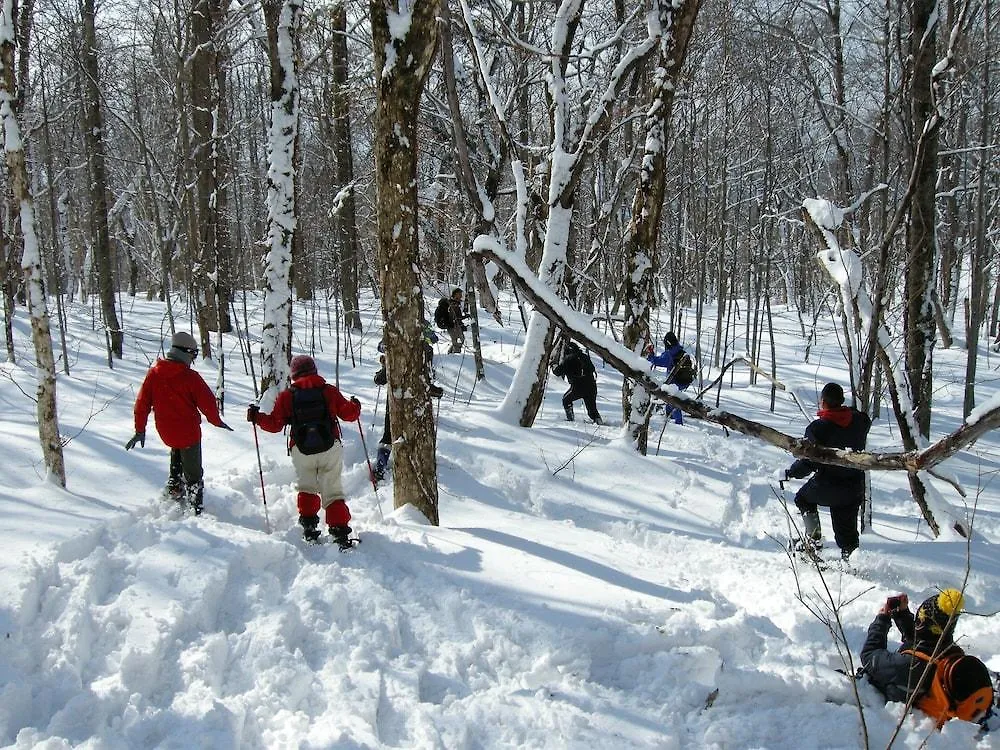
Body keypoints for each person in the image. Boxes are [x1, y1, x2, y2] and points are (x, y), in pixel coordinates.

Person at [247, 355, 362, 548]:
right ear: (314, 370)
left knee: (307, 487)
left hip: (301, 450)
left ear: (294, 374)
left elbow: (275, 425)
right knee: (332, 489)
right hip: (330, 447)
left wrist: (256, 417)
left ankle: (309, 529)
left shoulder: (287, 396)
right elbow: (349, 414)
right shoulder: (328, 391)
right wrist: (356, 405)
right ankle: (339, 532)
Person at [125, 331, 233, 515]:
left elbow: (141, 404)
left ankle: (175, 486)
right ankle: (195, 504)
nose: (193, 359)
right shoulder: (190, 377)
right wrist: (217, 422)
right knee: (193, 470)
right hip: (188, 432)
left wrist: (140, 430)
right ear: (186, 353)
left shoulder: (154, 374)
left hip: (166, 431)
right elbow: (207, 403)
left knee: (176, 449)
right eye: (193, 355)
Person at [860, 589, 994, 728]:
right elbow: (923, 642)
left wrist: (882, 620)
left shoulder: (908, 665)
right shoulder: (950, 650)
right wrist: (902, 614)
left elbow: (869, 655)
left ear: (922, 624)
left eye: (918, 621)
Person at [781, 382, 871, 560]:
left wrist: (792, 473)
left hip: (827, 485)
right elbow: (862, 417)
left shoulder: (818, 428)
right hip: (854, 486)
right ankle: (852, 559)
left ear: (823, 402)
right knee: (846, 529)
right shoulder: (859, 422)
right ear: (841, 401)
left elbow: (809, 461)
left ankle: (813, 542)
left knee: (803, 498)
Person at [647, 331, 693, 425]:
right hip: (684, 381)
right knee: (669, 395)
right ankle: (669, 415)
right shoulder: (680, 350)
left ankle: (678, 422)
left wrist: (650, 354)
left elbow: (657, 361)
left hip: (676, 381)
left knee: (672, 399)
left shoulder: (669, 354)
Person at [552, 341, 603, 424]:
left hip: (577, 387)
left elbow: (557, 372)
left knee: (566, 400)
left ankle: (570, 420)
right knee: (592, 408)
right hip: (591, 386)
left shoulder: (568, 360)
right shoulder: (585, 356)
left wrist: (553, 365)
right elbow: (592, 369)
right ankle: (598, 421)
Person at [446, 287, 466, 353]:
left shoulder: (456, 303)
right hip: (452, 325)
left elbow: (458, 316)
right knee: (457, 340)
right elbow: (455, 316)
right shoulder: (453, 304)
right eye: (460, 294)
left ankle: (451, 353)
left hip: (455, 325)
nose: (461, 296)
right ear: (456, 294)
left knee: (460, 339)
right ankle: (455, 356)